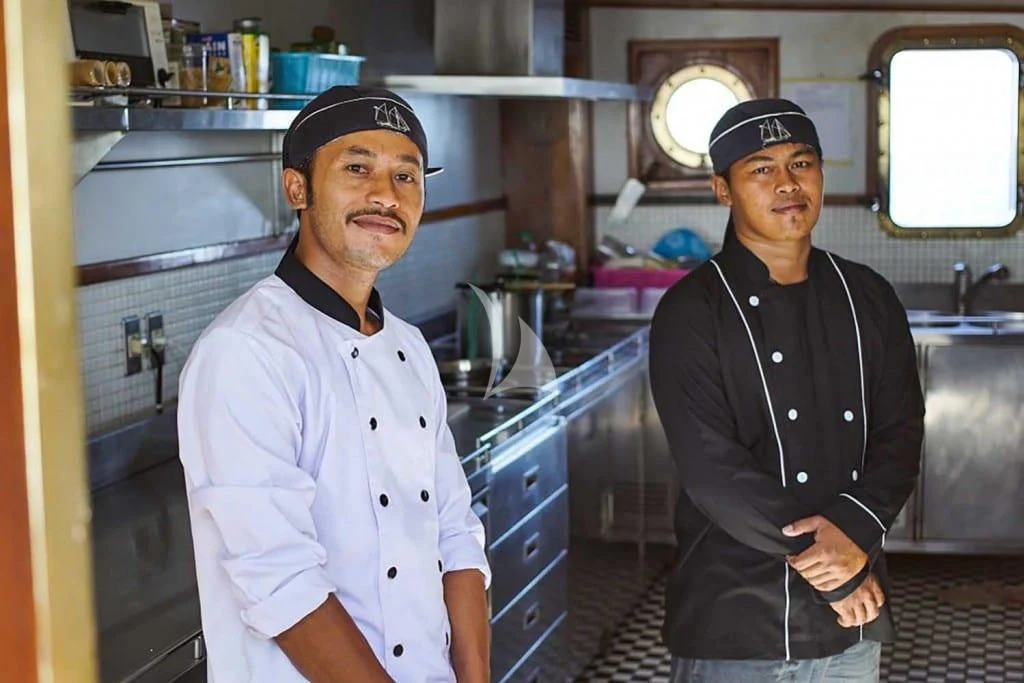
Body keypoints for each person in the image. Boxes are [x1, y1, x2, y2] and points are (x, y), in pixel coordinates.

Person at [177, 86, 491, 683]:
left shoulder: (407, 345)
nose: (385, 195)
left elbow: (456, 534)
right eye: (356, 168)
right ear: (297, 187)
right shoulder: (246, 352)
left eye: (406, 176)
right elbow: (282, 582)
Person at [648, 98, 925, 683]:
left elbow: (901, 435)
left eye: (801, 164)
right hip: (736, 621)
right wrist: (839, 571)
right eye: (761, 169)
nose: (787, 184)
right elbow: (712, 471)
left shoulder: (867, 296)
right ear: (723, 189)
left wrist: (855, 536)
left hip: (850, 623)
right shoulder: (691, 311)